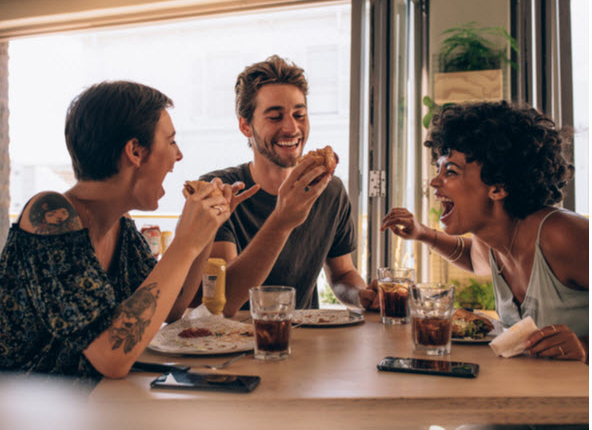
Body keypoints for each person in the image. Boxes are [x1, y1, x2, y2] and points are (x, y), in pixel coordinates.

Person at [0, 81, 256, 382]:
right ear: (134, 151)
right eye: (170, 142)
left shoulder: (120, 224)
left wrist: (206, 231)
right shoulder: (50, 215)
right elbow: (111, 356)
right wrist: (184, 242)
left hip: (91, 405)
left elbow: (172, 306)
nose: (178, 155)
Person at [381, 101, 588, 363]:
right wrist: (422, 234)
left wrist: (585, 346)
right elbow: (472, 258)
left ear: (498, 188)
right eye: (438, 169)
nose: (434, 181)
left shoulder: (563, 235)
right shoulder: (492, 242)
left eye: (451, 171)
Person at [200, 55, 378, 316]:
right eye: (275, 117)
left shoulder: (330, 190)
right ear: (245, 126)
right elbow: (222, 298)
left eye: (299, 114)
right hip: (232, 342)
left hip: (303, 342)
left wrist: (361, 296)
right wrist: (283, 219)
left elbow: (343, 274)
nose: (292, 128)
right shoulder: (219, 191)